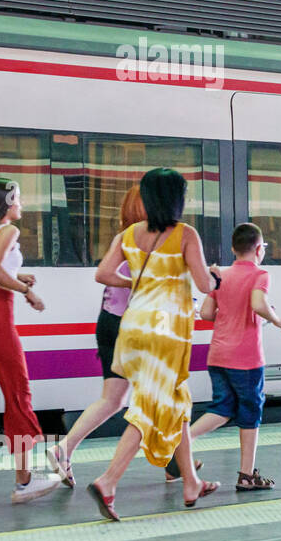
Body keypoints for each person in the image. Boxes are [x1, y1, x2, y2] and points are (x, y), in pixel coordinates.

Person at [86, 168, 220, 520]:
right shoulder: (186, 234)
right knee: (148, 409)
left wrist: (139, 287)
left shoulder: (129, 234)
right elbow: (205, 285)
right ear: (177, 199)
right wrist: (218, 276)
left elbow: (103, 273)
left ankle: (191, 481)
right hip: (166, 333)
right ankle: (108, 481)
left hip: (133, 327)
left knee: (176, 401)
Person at [0, 178, 60, 504]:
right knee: (18, 395)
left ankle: (24, 479)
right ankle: (24, 483)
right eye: (18, 198)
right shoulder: (8, 231)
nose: (22, 204)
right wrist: (26, 291)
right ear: (6, 202)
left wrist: (16, 276)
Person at [189, 222, 281, 491]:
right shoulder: (261, 274)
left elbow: (207, 313)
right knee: (250, 412)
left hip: (218, 354)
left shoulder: (220, 274)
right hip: (246, 358)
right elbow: (258, 303)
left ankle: (183, 440)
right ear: (258, 249)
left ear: (233, 248)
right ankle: (246, 475)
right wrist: (277, 319)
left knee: (222, 408)